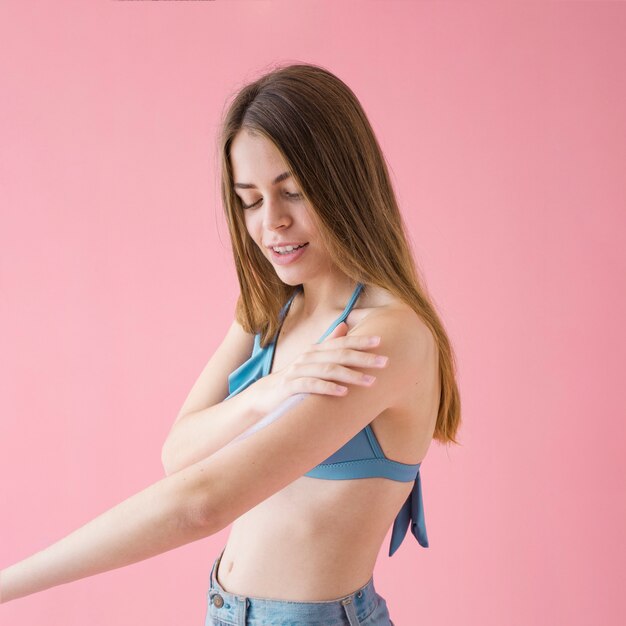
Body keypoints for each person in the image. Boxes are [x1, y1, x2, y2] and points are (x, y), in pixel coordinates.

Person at [0, 63, 461, 625]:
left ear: (345, 185)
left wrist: (7, 586)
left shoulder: (386, 337)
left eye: (292, 192)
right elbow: (180, 453)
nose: (273, 223)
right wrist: (271, 391)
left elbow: (201, 503)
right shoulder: (271, 309)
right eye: (250, 200)